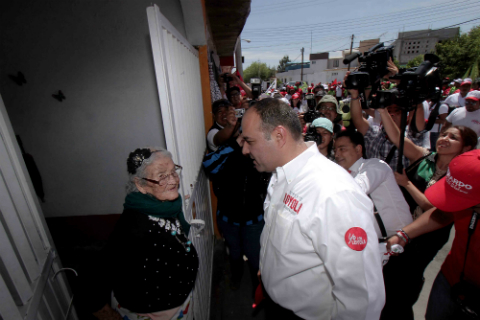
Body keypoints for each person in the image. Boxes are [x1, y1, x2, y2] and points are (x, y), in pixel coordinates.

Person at [241, 98, 385, 319]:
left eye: (249, 141)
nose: (244, 150)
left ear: (279, 136)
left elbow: (362, 298)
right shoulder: (281, 174)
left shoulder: (334, 194)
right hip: (275, 305)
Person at [378, 107, 477, 319]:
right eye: (444, 134)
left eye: (453, 138)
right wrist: (382, 109)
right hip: (401, 227)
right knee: (388, 279)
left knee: (404, 285)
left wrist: (407, 184)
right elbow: (397, 138)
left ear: (466, 147)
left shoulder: (462, 178)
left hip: (427, 239)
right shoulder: (425, 157)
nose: (445, 139)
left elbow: (439, 212)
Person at [79, 147, 198, 320]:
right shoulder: (133, 228)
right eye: (162, 175)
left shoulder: (163, 207)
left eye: (173, 171)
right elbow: (92, 279)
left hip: (178, 304)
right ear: (141, 185)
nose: (173, 180)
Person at [202, 133, 270, 291]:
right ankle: (236, 278)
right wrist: (234, 144)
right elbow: (209, 164)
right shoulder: (228, 151)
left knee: (255, 256)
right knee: (234, 251)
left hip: (253, 220)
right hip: (228, 218)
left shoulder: (263, 154)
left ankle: (257, 288)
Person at [334, 130, 413, 239]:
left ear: (358, 149)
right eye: (335, 150)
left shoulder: (375, 165)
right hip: (378, 244)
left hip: (401, 240)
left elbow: (356, 189)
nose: (337, 154)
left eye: (342, 149)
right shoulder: (345, 176)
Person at [346, 69, 426, 172]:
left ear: (405, 115)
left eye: (397, 111)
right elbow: (358, 119)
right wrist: (354, 95)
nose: (392, 114)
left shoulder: (412, 136)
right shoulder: (374, 134)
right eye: (389, 110)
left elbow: (418, 108)